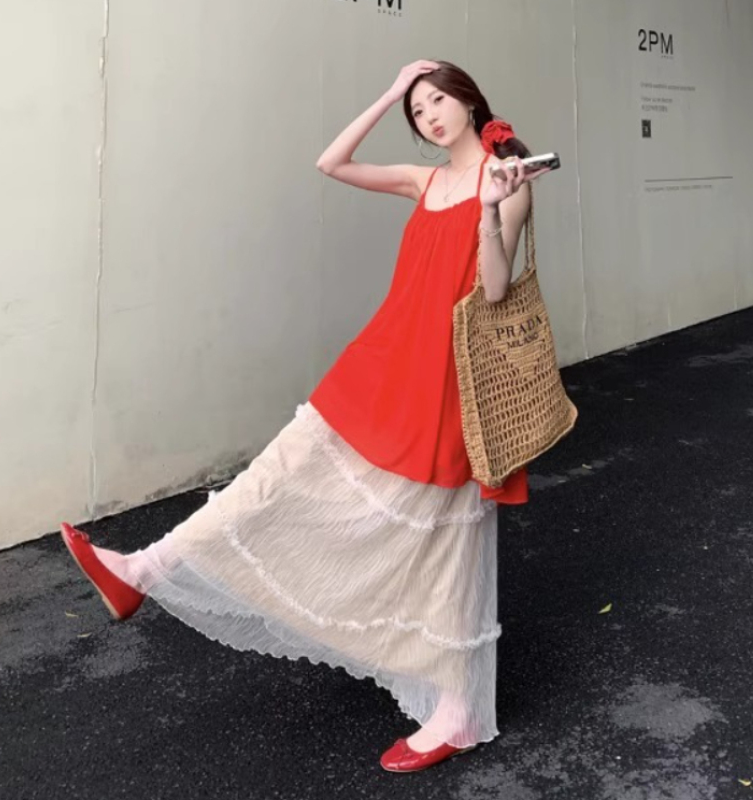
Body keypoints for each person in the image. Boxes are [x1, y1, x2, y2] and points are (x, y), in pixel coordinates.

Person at [60, 59, 553, 773]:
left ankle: (459, 710)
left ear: (470, 102)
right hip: (385, 359)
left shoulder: (508, 180)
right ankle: (143, 569)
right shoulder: (423, 181)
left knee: (447, 540)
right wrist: (389, 92)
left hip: (450, 378)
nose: (429, 116)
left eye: (437, 100)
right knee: (283, 468)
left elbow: (497, 290)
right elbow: (332, 163)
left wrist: (489, 209)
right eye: (417, 110)